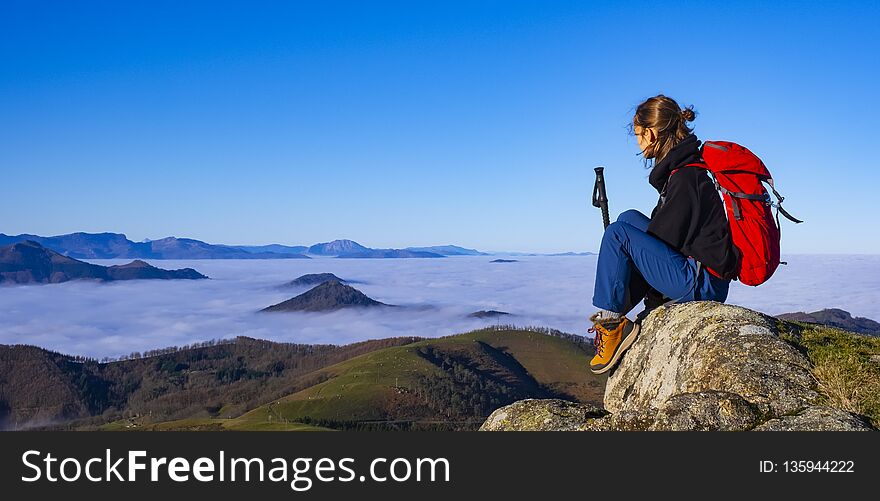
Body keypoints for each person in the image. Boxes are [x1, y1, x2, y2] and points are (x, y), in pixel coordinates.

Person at [588, 94, 739, 375]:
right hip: (698, 272)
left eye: (638, 135)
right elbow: (667, 236)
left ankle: (611, 325)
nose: (637, 142)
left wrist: (628, 268)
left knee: (617, 233)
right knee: (628, 219)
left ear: (652, 132)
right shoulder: (683, 171)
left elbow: (665, 239)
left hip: (701, 285)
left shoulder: (686, 178)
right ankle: (620, 310)